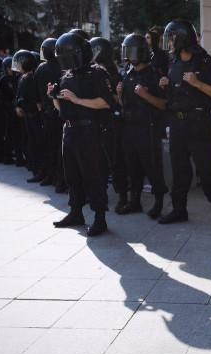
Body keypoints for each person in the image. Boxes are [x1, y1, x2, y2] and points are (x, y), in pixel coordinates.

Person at [158, 19, 211, 231]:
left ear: (181, 39)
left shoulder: (204, 61)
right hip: (177, 123)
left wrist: (197, 83)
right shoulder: (173, 62)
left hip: (199, 123)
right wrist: (165, 85)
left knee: (208, 169)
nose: (168, 43)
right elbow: (173, 94)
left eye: (171, 38)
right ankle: (179, 210)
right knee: (179, 169)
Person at [49, 32, 116, 236]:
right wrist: (53, 96)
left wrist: (77, 100)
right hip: (69, 130)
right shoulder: (66, 75)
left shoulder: (96, 74)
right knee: (72, 175)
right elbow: (60, 107)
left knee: (93, 175)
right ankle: (76, 212)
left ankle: (99, 218)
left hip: (89, 131)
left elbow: (106, 103)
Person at [115, 33, 168, 218]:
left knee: (152, 166)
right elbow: (124, 105)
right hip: (129, 127)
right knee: (132, 167)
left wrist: (146, 95)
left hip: (148, 128)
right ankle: (134, 202)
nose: (128, 56)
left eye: (131, 51)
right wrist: (120, 95)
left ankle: (159, 203)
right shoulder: (127, 74)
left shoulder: (154, 74)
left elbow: (163, 104)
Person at [89, 36, 128, 213]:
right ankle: (101, 196)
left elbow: (117, 100)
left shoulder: (113, 74)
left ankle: (122, 196)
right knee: (98, 162)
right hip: (96, 121)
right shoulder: (91, 71)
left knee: (115, 161)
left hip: (112, 122)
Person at [35, 37, 65, 191]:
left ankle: (50, 176)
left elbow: (37, 93)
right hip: (62, 111)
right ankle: (61, 179)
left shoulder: (40, 69)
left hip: (47, 113)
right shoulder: (63, 67)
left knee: (50, 146)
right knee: (62, 148)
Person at [13, 50, 43, 183]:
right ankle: (35, 169)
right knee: (31, 143)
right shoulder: (23, 78)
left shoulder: (31, 78)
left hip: (34, 117)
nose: (17, 66)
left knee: (37, 144)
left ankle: (39, 172)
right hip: (28, 116)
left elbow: (37, 101)